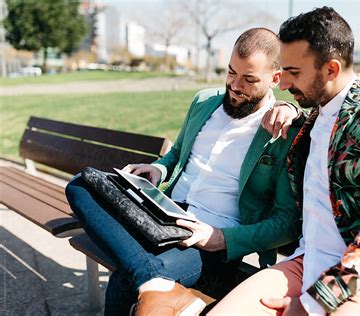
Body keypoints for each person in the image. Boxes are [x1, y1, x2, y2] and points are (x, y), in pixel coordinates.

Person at [210, 7, 360, 316]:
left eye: (294, 73)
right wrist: (291, 111)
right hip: (308, 260)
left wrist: (313, 302)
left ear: (331, 69)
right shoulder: (313, 116)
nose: (284, 84)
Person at [65, 28, 301, 316]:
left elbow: (287, 222)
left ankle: (150, 281)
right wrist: (157, 169)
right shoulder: (204, 101)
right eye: (230, 73)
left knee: (129, 276)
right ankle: (153, 283)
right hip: (163, 214)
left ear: (275, 78)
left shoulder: (283, 131)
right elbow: (177, 153)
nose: (235, 86)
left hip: (210, 237)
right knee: (81, 184)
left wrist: (221, 239)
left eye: (249, 79)